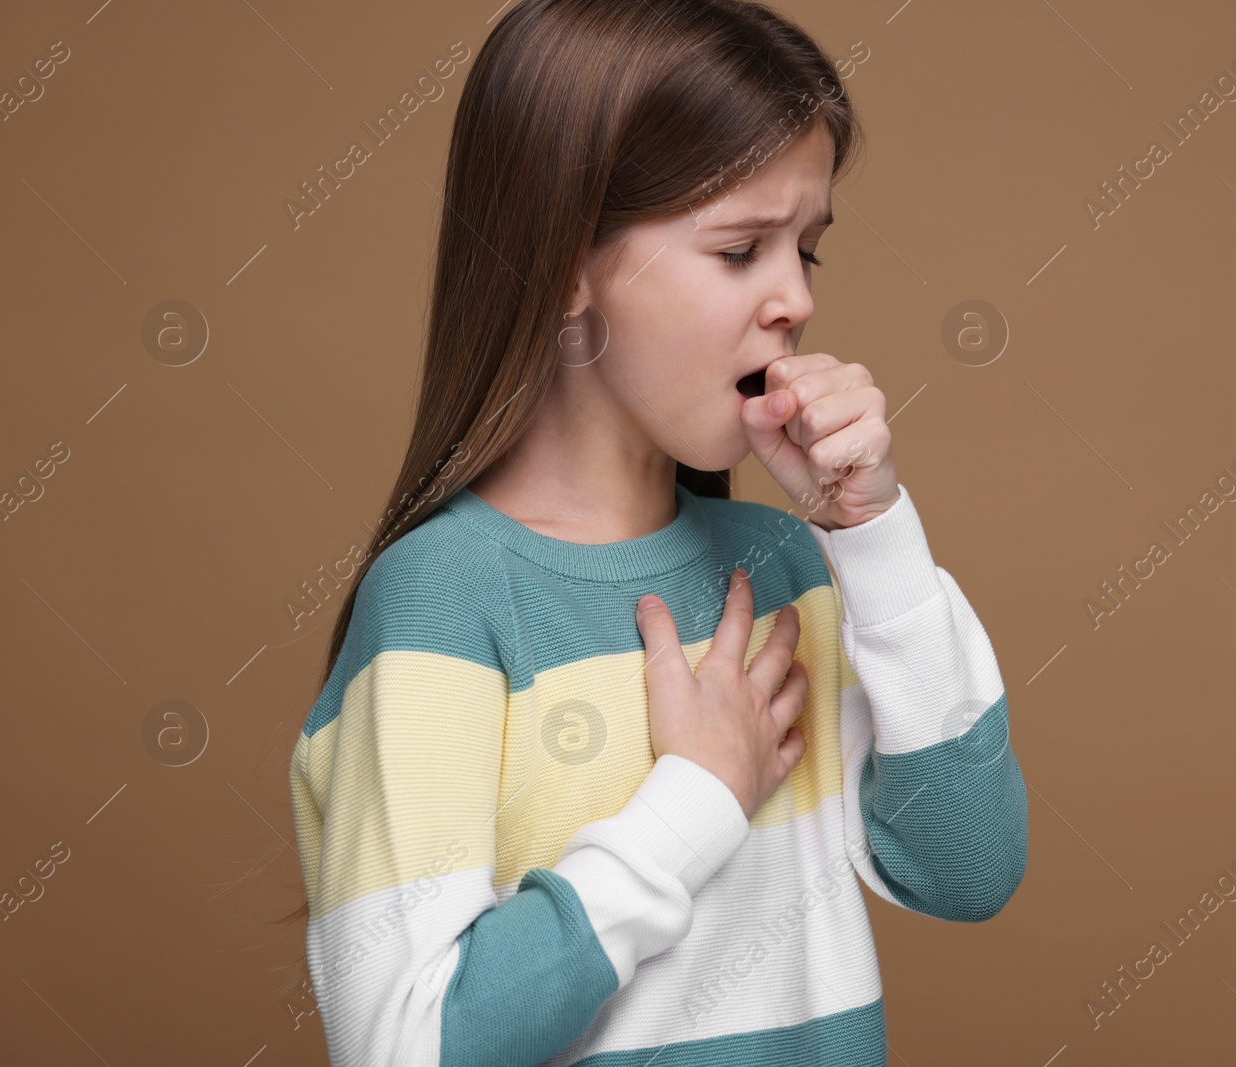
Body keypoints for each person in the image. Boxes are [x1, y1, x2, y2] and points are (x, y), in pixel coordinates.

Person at [286, 1, 1028, 1064]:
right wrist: (697, 799)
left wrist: (876, 535)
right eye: (739, 250)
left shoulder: (783, 567)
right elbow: (407, 1046)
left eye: (806, 252)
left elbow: (971, 868)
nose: (792, 301)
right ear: (562, 268)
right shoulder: (443, 600)